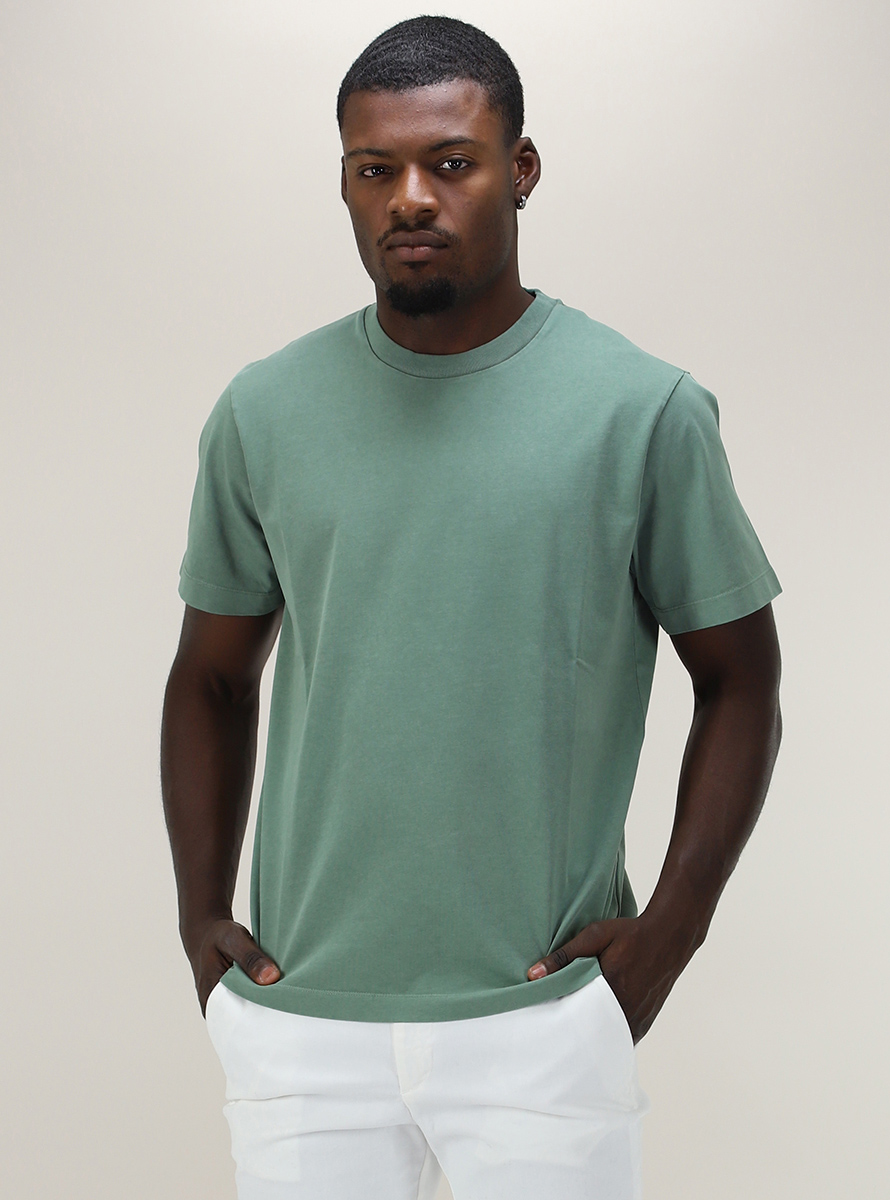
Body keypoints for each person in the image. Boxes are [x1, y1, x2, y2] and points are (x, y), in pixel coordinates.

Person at [161, 15, 782, 1200]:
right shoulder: (264, 411)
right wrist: (199, 919)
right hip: (300, 1020)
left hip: (541, 1016)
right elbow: (210, 676)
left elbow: (739, 677)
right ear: (345, 183)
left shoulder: (640, 410)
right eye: (373, 169)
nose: (410, 197)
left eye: (451, 162)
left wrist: (670, 931)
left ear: (520, 169)